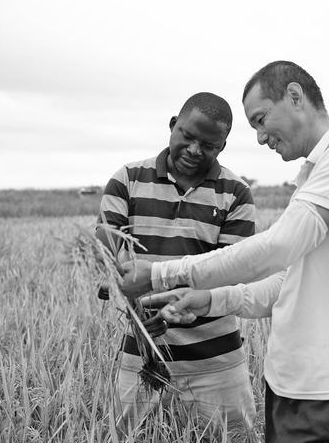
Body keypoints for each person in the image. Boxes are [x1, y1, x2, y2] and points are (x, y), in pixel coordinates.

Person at [122, 61, 329, 442]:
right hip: (290, 390)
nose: (258, 137)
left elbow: (278, 246)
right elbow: (286, 285)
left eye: (260, 119)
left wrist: (160, 273)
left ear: (294, 96)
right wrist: (208, 300)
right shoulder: (313, 176)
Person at [95, 92, 258, 431]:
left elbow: (231, 272)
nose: (195, 150)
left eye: (209, 145)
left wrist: (171, 302)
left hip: (215, 361)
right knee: (131, 436)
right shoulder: (128, 179)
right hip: (142, 351)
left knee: (231, 437)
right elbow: (108, 251)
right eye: (188, 136)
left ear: (222, 146)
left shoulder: (235, 193)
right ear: (173, 125)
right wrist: (127, 293)